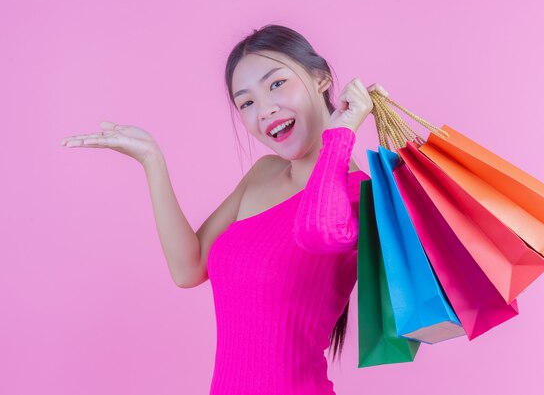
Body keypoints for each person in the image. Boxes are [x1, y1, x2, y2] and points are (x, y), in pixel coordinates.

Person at [60, 24, 389, 395]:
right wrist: (152, 160)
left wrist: (340, 134)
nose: (265, 109)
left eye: (277, 84)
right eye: (246, 102)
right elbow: (189, 268)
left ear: (320, 78)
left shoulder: (363, 195)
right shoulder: (262, 174)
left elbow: (316, 231)